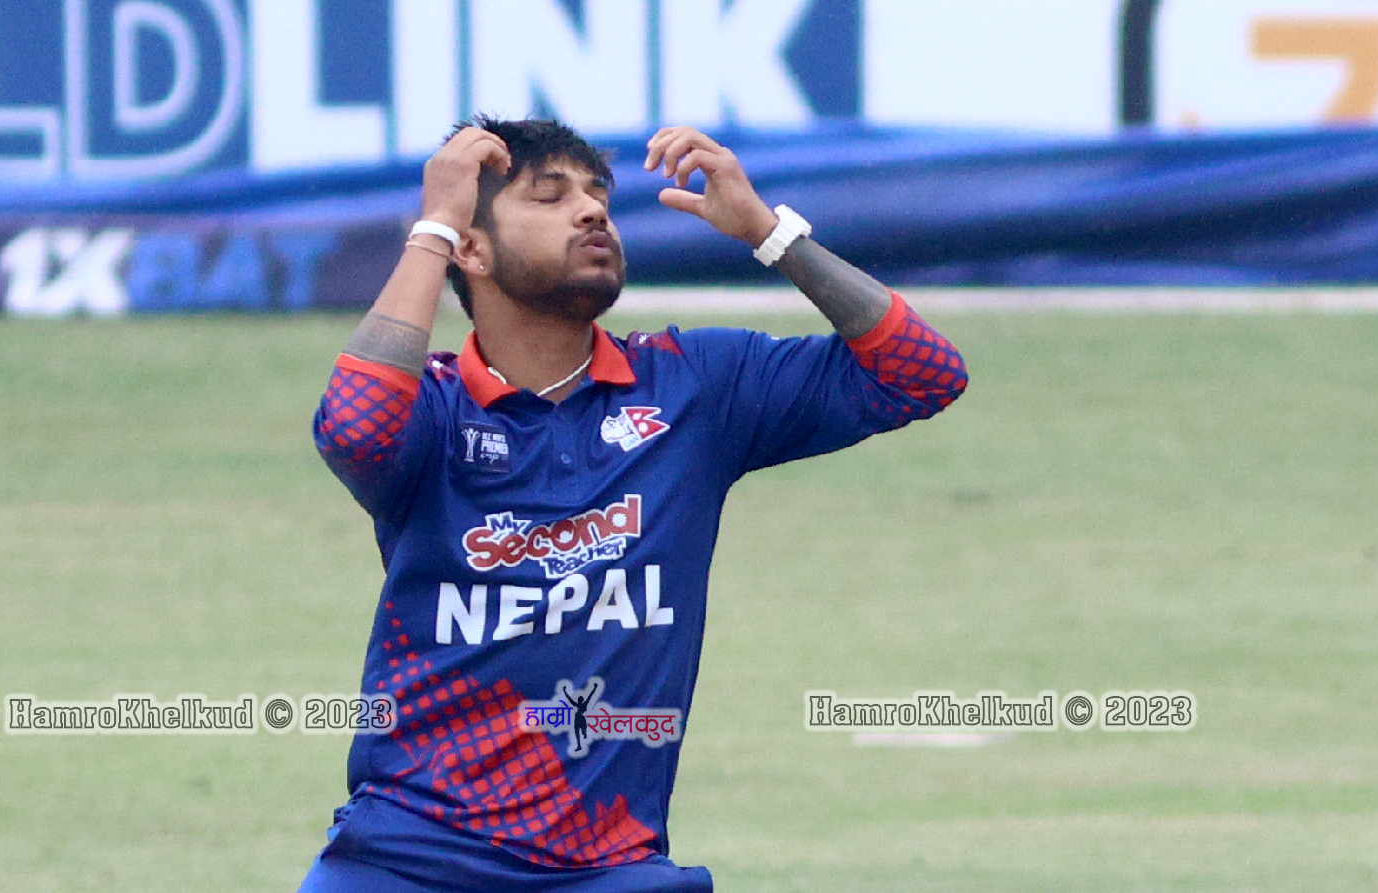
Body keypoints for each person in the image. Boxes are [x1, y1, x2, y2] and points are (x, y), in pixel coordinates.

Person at [304, 117, 967, 892]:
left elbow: (923, 373)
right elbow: (353, 429)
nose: (592, 211)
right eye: (549, 196)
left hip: (609, 869)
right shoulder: (435, 409)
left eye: (599, 196)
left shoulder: (693, 386)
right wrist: (434, 228)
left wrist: (768, 231)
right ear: (473, 250)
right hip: (404, 858)